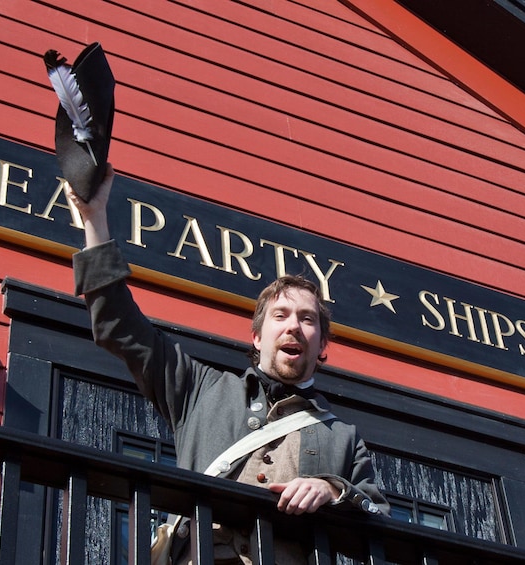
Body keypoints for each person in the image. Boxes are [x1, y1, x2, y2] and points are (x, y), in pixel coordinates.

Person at [67, 165, 388, 564]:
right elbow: (119, 326)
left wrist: (332, 488)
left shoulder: (343, 436)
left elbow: (379, 520)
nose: (294, 327)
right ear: (256, 336)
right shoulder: (199, 388)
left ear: (322, 344)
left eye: (307, 320)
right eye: (281, 315)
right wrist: (95, 219)